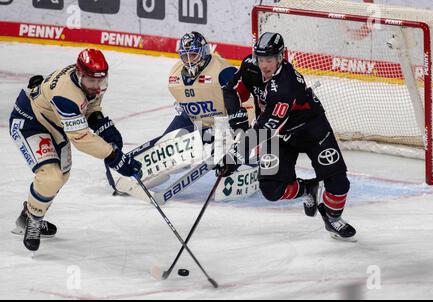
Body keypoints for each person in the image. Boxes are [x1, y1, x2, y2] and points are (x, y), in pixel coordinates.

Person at [218, 32, 356, 241]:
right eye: (261, 59)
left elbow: (265, 128)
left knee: (338, 182)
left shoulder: (285, 85)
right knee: (271, 189)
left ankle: (331, 216)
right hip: (278, 134)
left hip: (311, 129)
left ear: (281, 57)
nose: (264, 65)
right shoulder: (249, 66)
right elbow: (231, 91)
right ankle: (308, 188)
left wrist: (234, 157)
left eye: (270, 60)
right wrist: (237, 117)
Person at [9, 48, 142, 252]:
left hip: (53, 123)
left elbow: (88, 107)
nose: (97, 86)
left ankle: (29, 214)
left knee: (62, 175)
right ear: (79, 74)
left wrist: (102, 124)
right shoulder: (65, 94)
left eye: (101, 80)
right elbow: (81, 139)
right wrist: (114, 157)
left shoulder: (90, 81)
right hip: (29, 121)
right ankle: (32, 220)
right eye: (92, 81)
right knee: (50, 176)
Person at [106, 31, 239, 195]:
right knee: (164, 150)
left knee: (224, 154)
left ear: (203, 52)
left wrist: (235, 127)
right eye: (185, 56)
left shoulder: (223, 71)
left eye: (193, 55)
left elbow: (245, 101)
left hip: (222, 122)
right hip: (192, 119)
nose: (189, 61)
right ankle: (140, 177)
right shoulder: (175, 75)